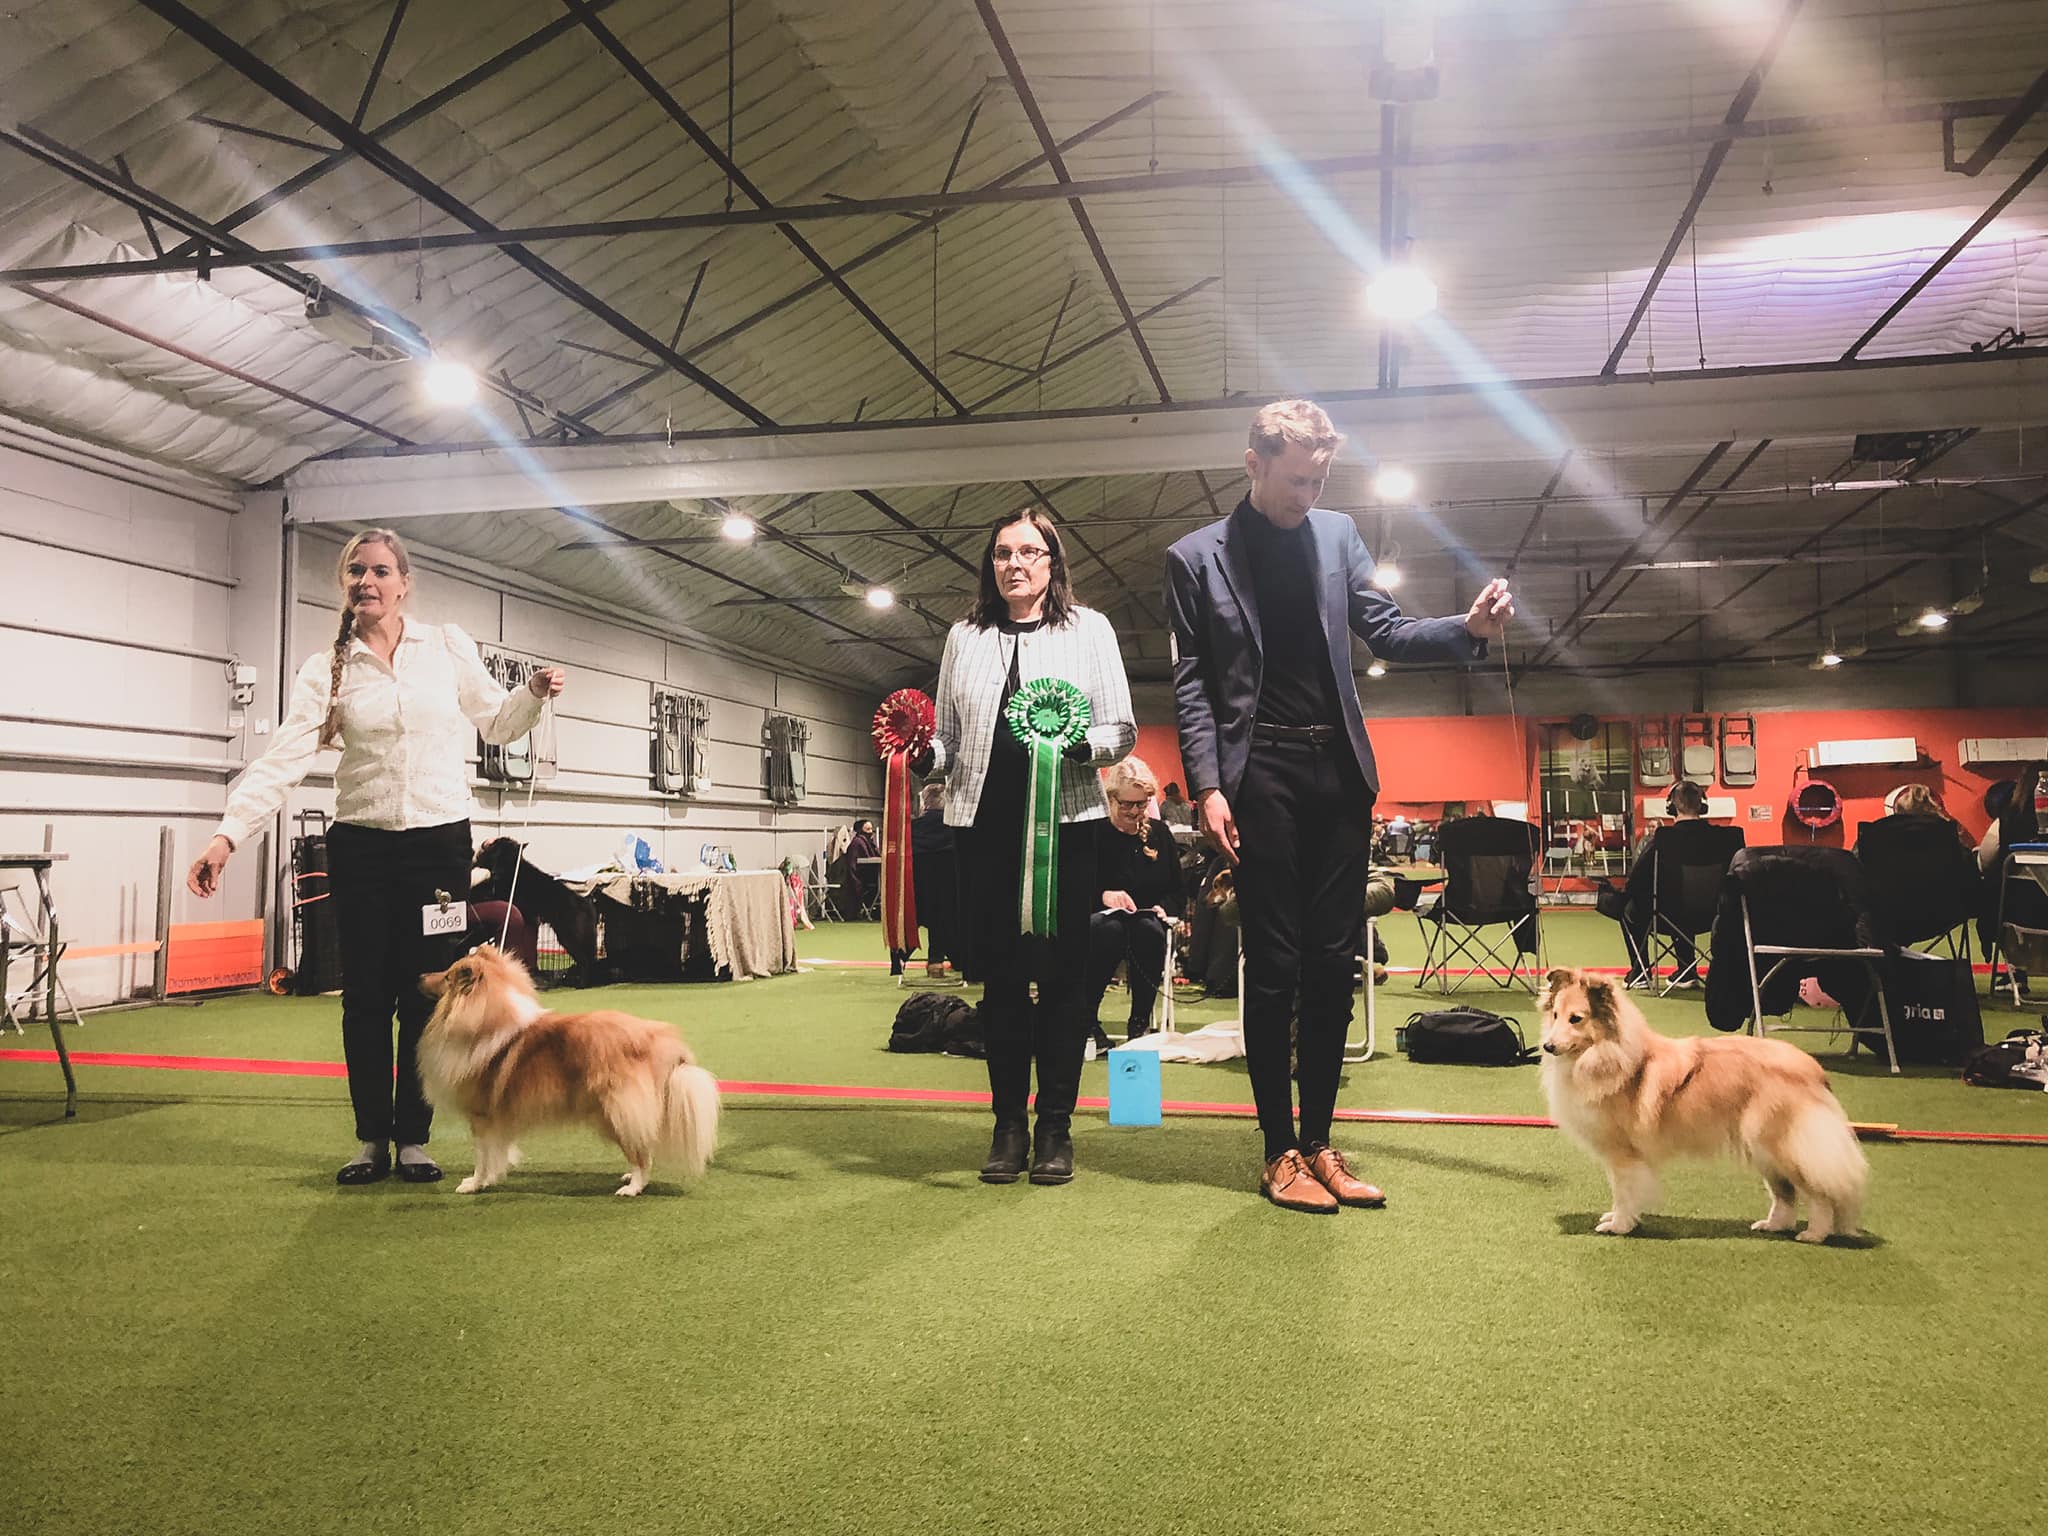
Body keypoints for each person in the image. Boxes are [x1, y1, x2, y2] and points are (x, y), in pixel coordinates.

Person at [1165, 399, 1513, 1215]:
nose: (1308, 496)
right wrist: (1208, 786)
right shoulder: (1193, 558)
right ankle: (1277, 1150)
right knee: (1275, 966)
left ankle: (1319, 1143)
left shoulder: (1337, 535)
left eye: (1319, 481)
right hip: (1259, 775)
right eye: (1295, 480)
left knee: (1332, 964)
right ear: (1253, 464)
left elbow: (1385, 631)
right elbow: (1193, 684)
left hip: (1339, 774)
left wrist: (1465, 629)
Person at [187, 528, 566, 1185]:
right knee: (364, 997)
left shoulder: (446, 647)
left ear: (404, 584)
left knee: (428, 993)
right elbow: (283, 760)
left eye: (381, 571)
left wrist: (530, 693)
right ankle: (371, 1140)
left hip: (438, 846)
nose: (368, 581)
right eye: (356, 571)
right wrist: (227, 836)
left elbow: (499, 723)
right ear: (345, 584)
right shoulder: (325, 670)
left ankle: (415, 1139)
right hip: (361, 846)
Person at [922, 508, 1135, 1186]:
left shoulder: (1090, 629)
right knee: (1003, 982)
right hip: (981, 831)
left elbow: (1121, 730)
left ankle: (1056, 1128)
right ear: (990, 565)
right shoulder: (964, 636)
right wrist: (920, 756)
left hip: (1066, 827)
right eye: (1002, 553)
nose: (1014, 563)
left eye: (1029, 552)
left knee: (1066, 982)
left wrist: (1079, 746)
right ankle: (1008, 1125)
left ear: (1052, 562)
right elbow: (948, 739)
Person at [1084, 755, 1186, 1056]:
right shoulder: (1094, 831)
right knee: (1107, 929)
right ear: (1111, 798)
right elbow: (1075, 886)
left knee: (1149, 930)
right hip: (1100, 919)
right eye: (1126, 804)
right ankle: (1087, 1020)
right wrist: (1103, 896)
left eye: (1141, 804)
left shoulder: (1159, 834)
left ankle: (1139, 1023)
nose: (1134, 811)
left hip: (1145, 920)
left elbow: (1177, 890)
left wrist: (1164, 907)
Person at [1618, 780, 1712, 988]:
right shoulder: (1726, 838)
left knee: (1628, 909)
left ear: (1671, 807)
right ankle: (1687, 971)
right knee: (1685, 903)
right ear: (1703, 806)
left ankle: (1640, 973)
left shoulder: (1663, 839)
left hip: (1669, 915)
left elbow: (1635, 881)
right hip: (1713, 916)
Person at [1978, 762, 2048, 996]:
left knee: (1995, 893)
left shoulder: (2007, 817)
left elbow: (1985, 861)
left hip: (2019, 917)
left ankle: (2016, 975)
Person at [910, 781, 958, 981]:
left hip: (919, 889)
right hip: (950, 889)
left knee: (924, 918)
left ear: (924, 803)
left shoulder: (912, 828)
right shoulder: (954, 827)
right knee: (946, 918)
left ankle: (901, 957)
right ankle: (946, 960)